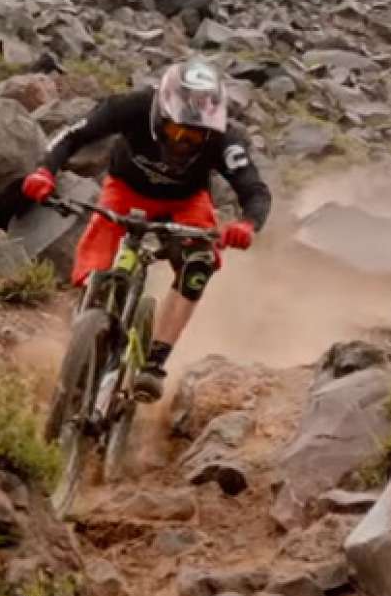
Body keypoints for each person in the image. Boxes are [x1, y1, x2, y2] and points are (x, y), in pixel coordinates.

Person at [20, 58, 272, 402]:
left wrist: (247, 224)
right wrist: (45, 171)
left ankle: (155, 363)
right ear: (160, 115)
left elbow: (254, 189)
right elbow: (73, 134)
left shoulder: (224, 138)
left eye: (194, 135)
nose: (183, 142)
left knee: (199, 264)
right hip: (125, 191)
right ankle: (86, 326)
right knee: (92, 264)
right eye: (176, 131)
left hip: (186, 203)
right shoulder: (131, 107)